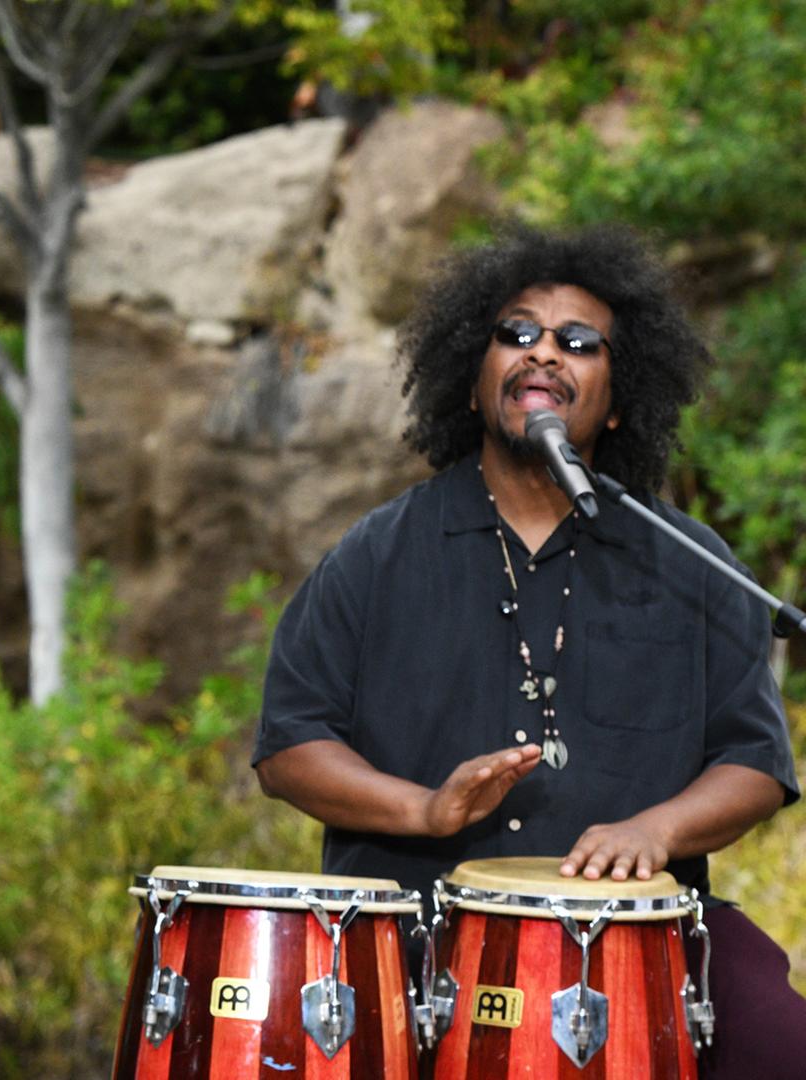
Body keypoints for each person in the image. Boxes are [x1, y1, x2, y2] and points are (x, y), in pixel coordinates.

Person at [252, 225, 802, 1075]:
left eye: (578, 342)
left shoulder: (688, 560)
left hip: (645, 932)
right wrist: (423, 810)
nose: (543, 352)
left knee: (783, 1041)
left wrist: (656, 830)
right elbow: (290, 744)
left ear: (616, 401)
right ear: (473, 387)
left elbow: (755, 761)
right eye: (516, 333)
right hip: (420, 935)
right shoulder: (377, 555)